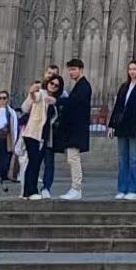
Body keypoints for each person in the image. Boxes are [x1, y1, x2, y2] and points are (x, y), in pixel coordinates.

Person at [107, 58, 136, 200]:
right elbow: (118, 106)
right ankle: (122, 188)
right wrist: (111, 126)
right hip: (122, 126)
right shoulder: (124, 87)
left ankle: (134, 188)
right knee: (123, 159)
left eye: (134, 69)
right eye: (130, 69)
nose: (132, 72)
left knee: (135, 159)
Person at [53, 58, 92, 201]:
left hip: (77, 129)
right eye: (70, 69)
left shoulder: (84, 86)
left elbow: (73, 103)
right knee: (72, 158)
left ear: (81, 70)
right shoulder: (79, 85)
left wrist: (57, 100)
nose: (71, 72)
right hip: (74, 129)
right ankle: (75, 187)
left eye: (74, 69)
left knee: (73, 158)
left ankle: (76, 188)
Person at [21, 75, 60, 201]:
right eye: (51, 83)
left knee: (36, 163)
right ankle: (30, 191)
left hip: (43, 137)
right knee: (33, 162)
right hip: (33, 134)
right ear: (47, 83)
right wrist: (32, 91)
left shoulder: (53, 100)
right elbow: (34, 98)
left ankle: (28, 191)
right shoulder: (41, 94)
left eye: (56, 85)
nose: (53, 86)